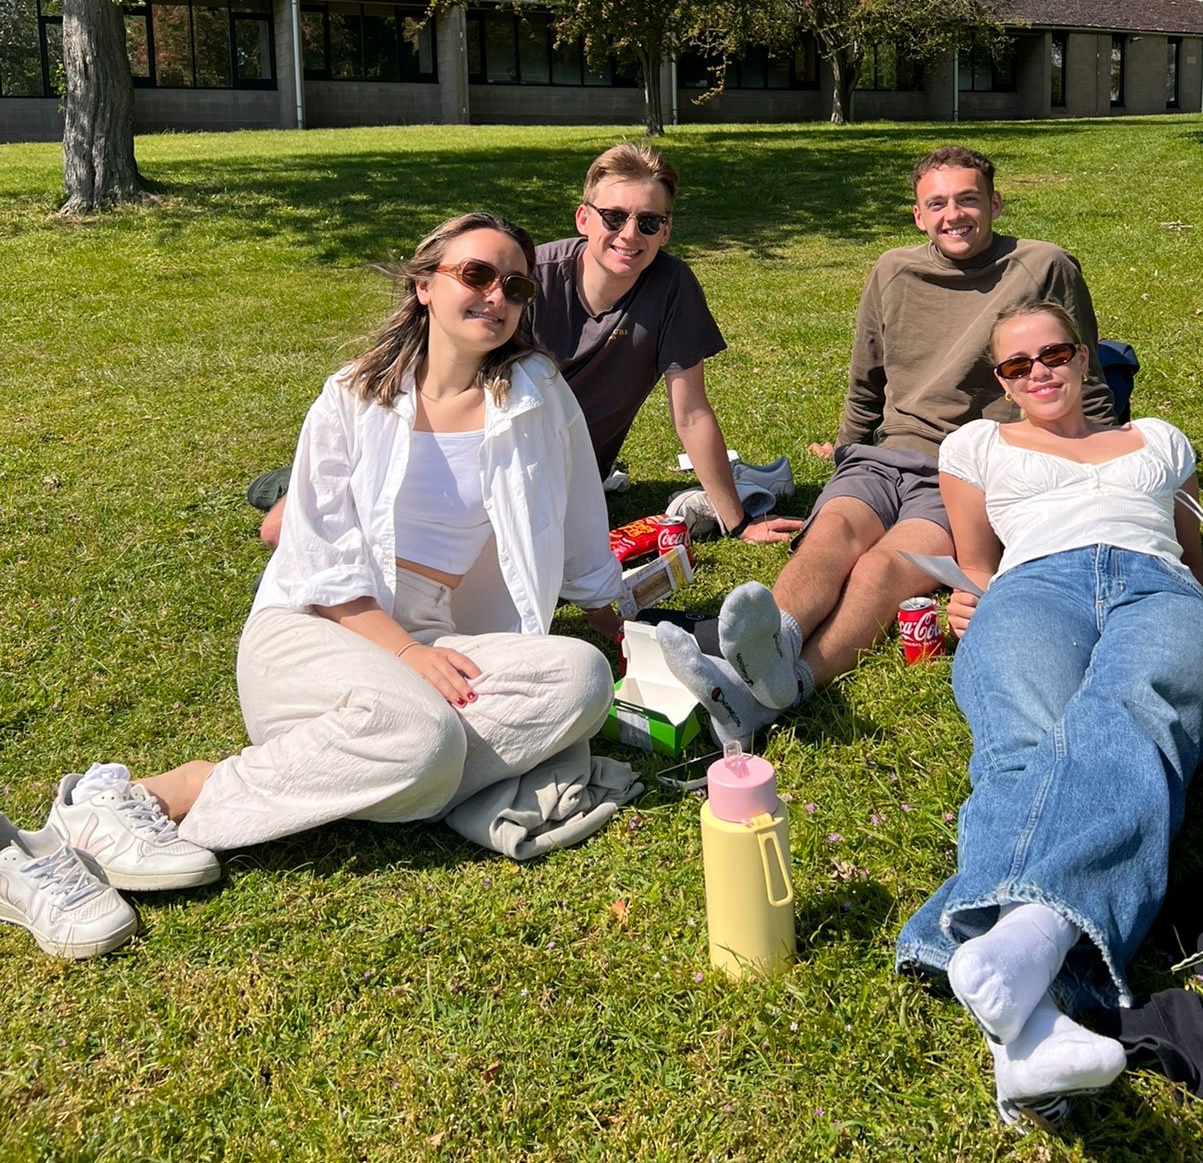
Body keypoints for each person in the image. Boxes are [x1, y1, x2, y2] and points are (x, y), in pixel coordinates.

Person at [46, 214, 629, 882]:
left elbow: (582, 512)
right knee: (424, 736)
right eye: (476, 275)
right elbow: (320, 565)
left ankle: (378, 774)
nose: (496, 296)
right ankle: (165, 795)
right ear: (424, 287)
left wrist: (610, 621)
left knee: (580, 678)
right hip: (317, 627)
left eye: (517, 285)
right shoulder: (351, 398)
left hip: (439, 634)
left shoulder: (535, 394)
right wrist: (406, 653)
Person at [895, 300, 1203, 1127]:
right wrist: (963, 605)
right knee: (1027, 742)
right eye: (1016, 366)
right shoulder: (974, 446)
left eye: (1053, 354)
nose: (1038, 373)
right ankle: (1037, 1020)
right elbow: (979, 565)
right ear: (1001, 381)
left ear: (1085, 357)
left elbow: (1193, 558)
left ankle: (1020, 947)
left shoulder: (1158, 439)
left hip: (1159, 588)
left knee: (1131, 707)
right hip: (1032, 589)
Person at [657, 145, 1117, 744]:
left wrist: (1111, 466)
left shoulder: (1044, 266)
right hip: (883, 457)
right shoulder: (892, 270)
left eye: (969, 199)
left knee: (881, 567)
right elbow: (865, 380)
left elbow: (1087, 379)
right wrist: (847, 454)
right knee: (832, 534)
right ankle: (776, 646)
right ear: (918, 215)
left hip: (966, 467)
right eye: (938, 203)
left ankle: (789, 684)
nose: (954, 214)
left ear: (995, 203)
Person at [258, 143, 801, 557]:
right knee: (283, 528)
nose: (629, 234)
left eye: (649, 222)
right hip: (473, 448)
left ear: (666, 231)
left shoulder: (673, 288)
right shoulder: (526, 280)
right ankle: (311, 471)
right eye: (614, 216)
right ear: (584, 217)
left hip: (560, 477)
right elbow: (450, 373)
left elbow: (692, 413)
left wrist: (738, 523)